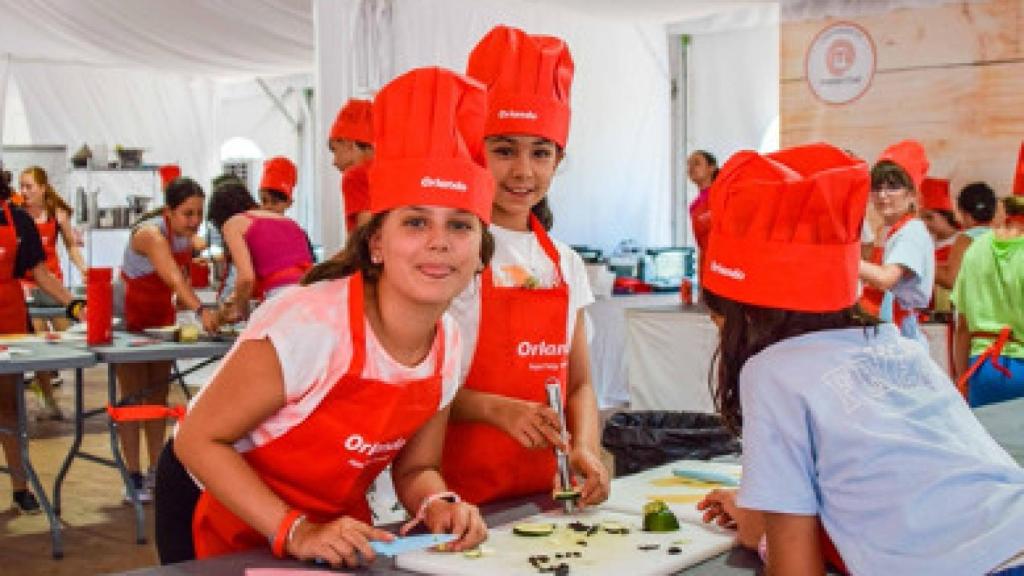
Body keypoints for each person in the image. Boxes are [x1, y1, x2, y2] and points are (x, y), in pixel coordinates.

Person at [159, 66, 492, 567]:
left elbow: (417, 466)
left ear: (481, 254)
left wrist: (436, 502)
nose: (439, 242)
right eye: (416, 222)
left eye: (460, 225)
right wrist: (296, 531)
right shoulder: (311, 324)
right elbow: (197, 439)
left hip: (327, 532)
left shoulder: (449, 341)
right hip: (216, 509)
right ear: (376, 243)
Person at [700, 142, 1024, 576]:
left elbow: (797, 569)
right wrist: (757, 518)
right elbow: (890, 489)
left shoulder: (770, 372)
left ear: (740, 316)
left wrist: (763, 536)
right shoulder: (898, 345)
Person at [442, 25, 610, 508]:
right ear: (476, 150)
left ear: (558, 160)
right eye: (504, 150)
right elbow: (417, 389)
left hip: (547, 496)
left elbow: (578, 383)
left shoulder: (567, 263)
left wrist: (586, 447)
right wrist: (494, 409)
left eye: (541, 153)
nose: (523, 171)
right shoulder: (447, 255)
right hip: (457, 501)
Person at [115, 177, 220, 503]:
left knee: (157, 397)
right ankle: (131, 475)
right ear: (168, 212)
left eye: (199, 214)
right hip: (128, 320)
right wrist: (202, 309)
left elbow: (184, 275)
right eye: (187, 214)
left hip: (160, 320)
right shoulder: (150, 234)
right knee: (133, 398)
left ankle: (155, 468)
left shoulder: (187, 238)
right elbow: (174, 277)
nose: (194, 221)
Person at [0, 173, 83, 514]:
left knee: (9, 408)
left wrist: (76, 306)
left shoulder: (16, 217)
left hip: (8, 322)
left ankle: (21, 487)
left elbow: (41, 274)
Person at [18, 166, 88, 420]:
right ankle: (47, 400)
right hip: (27, 286)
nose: (24, 192)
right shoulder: (19, 216)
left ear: (43, 187)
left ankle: (51, 380)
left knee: (68, 336)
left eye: (29, 186)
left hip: (53, 284)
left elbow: (70, 244)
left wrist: (82, 268)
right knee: (38, 345)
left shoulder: (57, 215)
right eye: (21, 186)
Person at [858, 140, 935, 346]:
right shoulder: (888, 230)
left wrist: (840, 259)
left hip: (902, 335)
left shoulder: (912, 232)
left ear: (911, 194)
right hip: (889, 330)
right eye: (877, 187)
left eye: (893, 187)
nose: (882, 196)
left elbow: (885, 279)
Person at [951, 195, 1024, 407]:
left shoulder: (975, 250)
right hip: (1020, 364)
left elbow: (962, 327)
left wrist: (962, 381)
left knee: (986, 440)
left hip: (982, 370)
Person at [206, 180, 313, 321]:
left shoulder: (233, 223)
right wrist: (235, 301)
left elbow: (246, 278)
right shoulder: (290, 222)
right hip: (311, 297)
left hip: (281, 299)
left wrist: (237, 311)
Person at [328, 99, 375, 233]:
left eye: (335, 150)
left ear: (348, 144)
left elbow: (363, 240)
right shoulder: (391, 172)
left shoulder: (355, 176)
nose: (334, 162)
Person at [686, 149, 719, 279]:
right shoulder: (694, 206)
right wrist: (701, 284)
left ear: (712, 168)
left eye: (697, 163)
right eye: (689, 164)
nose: (691, 168)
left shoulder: (725, 195)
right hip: (709, 271)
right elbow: (702, 247)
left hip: (729, 270)